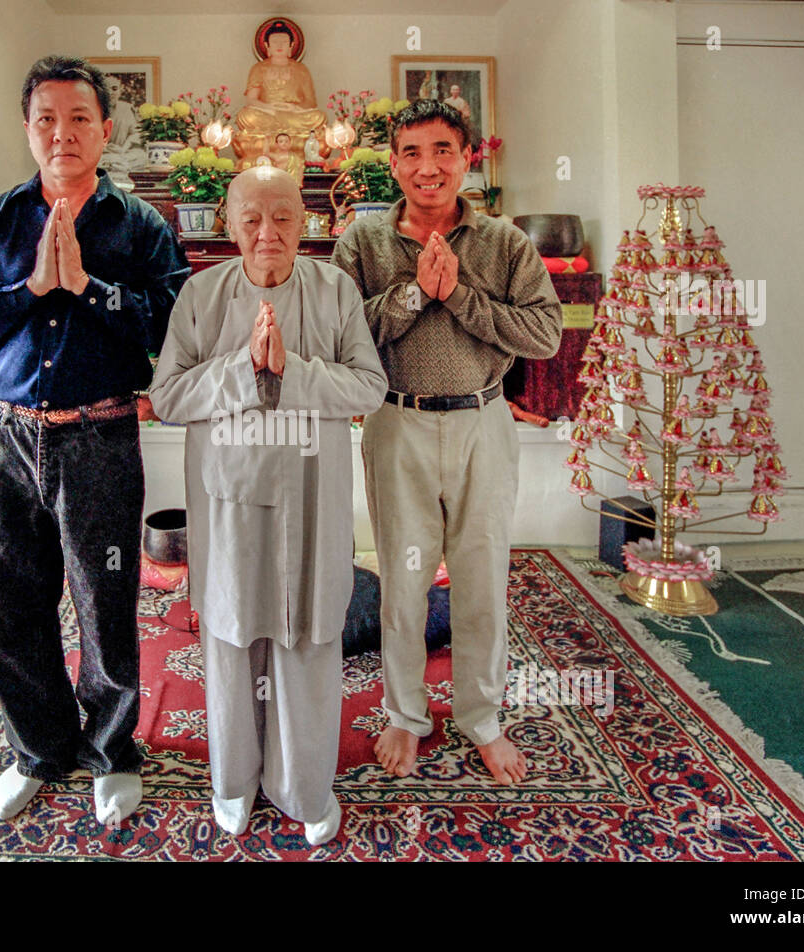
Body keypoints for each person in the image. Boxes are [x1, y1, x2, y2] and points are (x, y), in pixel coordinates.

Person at [0, 55, 190, 826]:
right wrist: (31, 288)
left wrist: (89, 287)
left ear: (106, 131)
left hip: (99, 436)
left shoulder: (140, 226)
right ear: (28, 129)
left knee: (105, 601)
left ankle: (111, 751)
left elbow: (171, 330)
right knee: (7, 603)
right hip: (2, 438)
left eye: (79, 118)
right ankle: (39, 749)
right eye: (46, 118)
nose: (62, 133)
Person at [148, 166, 386, 846]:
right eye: (252, 218)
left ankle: (303, 785)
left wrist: (294, 372)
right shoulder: (201, 294)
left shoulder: (335, 289)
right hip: (230, 499)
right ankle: (233, 781)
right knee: (230, 633)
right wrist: (243, 370)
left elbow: (369, 387)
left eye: (283, 217)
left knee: (311, 635)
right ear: (229, 225)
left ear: (305, 222)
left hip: (312, 495)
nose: (267, 232)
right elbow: (168, 395)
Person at [331, 99, 561, 784]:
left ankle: (481, 717)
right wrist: (409, 297)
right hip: (396, 422)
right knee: (403, 579)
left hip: (483, 424)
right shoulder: (364, 243)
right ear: (394, 163)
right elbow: (339, 337)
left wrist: (460, 295)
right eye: (411, 153)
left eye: (443, 151)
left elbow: (544, 335)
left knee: (483, 575)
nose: (427, 168)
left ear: (468, 159)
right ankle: (405, 713)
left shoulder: (505, 243)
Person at [234, 21, 326, 169]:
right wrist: (269, 108)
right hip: (267, 113)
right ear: (267, 46)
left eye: (284, 42)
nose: (279, 45)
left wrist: (293, 108)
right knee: (246, 116)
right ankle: (291, 148)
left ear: (291, 46)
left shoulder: (301, 69)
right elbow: (251, 100)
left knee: (319, 117)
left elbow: (310, 102)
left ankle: (266, 147)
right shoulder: (258, 68)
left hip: (294, 115)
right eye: (275, 42)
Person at [98, 75, 145, 173]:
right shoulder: (94, 109)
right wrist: (104, 148)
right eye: (107, 89)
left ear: (120, 90)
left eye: (114, 89)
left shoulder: (126, 108)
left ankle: (114, 164)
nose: (111, 93)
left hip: (123, 153)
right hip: (101, 153)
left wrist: (123, 149)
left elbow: (135, 134)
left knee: (142, 157)